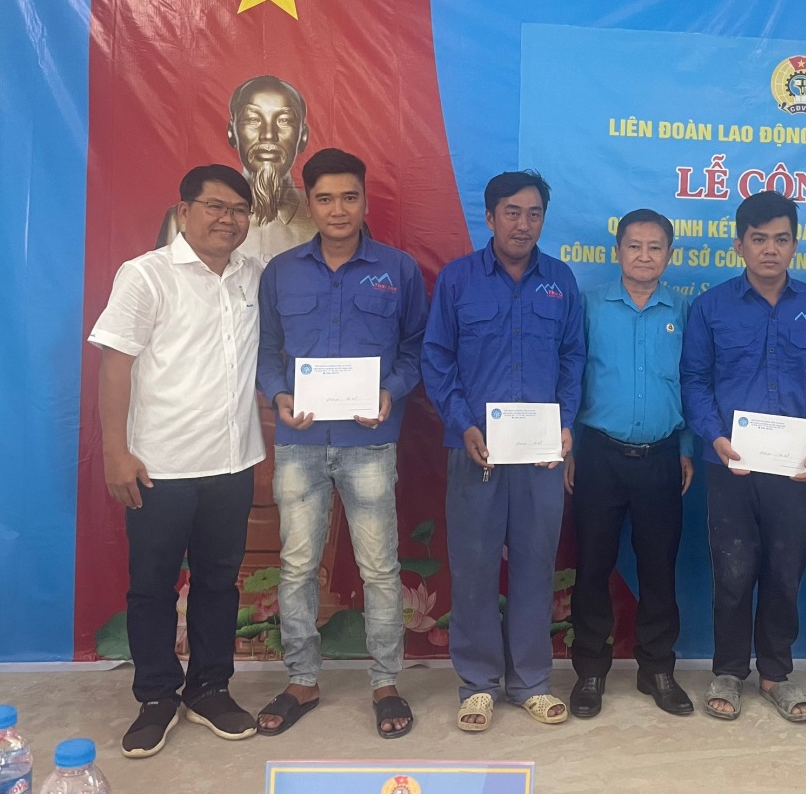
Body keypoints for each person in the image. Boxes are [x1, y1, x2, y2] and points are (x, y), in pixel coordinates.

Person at [253, 148, 428, 739]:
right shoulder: (280, 272)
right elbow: (265, 350)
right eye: (325, 198)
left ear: (365, 199)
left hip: (369, 442)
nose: (338, 210)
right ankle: (302, 678)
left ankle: (386, 682)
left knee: (379, 567)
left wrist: (391, 392)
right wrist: (278, 395)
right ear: (309, 203)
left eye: (349, 197)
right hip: (299, 442)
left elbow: (416, 349)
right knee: (297, 565)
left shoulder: (398, 270)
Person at [89, 164, 264, 757]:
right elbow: (116, 365)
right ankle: (157, 697)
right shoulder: (146, 275)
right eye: (215, 206)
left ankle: (210, 688)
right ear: (184, 210)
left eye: (239, 210)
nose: (228, 219)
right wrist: (116, 452)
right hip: (158, 467)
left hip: (233, 464)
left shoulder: (252, 275)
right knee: (153, 587)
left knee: (219, 583)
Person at [421, 170, 585, 731]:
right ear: (489, 218)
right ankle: (478, 684)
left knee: (536, 565)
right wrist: (462, 423)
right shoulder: (458, 280)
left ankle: (532, 682)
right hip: (477, 451)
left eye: (534, 213)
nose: (523, 224)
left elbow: (573, 359)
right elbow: (437, 358)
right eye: (511, 212)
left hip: (540, 454)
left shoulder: (560, 281)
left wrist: (565, 424)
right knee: (473, 567)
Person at [680, 191, 806, 723]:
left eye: (781, 239)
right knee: (732, 572)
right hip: (730, 463)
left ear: (795, 244)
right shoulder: (710, 307)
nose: (770, 249)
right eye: (758, 239)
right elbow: (694, 381)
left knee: (785, 571)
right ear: (739, 245)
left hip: (795, 467)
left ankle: (776, 672)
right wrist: (714, 436)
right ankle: (729, 671)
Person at [566, 209, 695, 719]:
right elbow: (571, 377)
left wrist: (686, 448)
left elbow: (691, 382)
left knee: (659, 567)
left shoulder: (681, 309)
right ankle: (590, 671)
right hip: (599, 454)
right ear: (617, 251)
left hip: (661, 456)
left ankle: (657, 668)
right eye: (634, 246)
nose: (644, 256)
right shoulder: (590, 306)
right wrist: (571, 448)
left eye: (655, 247)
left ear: (669, 254)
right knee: (593, 565)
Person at [158, 75, 317, 262]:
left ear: (303, 136)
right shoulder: (184, 219)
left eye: (284, 121)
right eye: (253, 120)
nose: (268, 135)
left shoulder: (323, 220)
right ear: (231, 133)